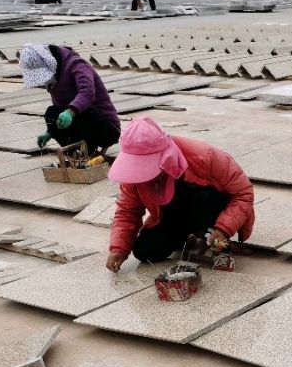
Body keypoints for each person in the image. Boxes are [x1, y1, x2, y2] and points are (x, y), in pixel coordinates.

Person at [106, 117, 255, 273]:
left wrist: (224, 229)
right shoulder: (132, 174)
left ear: (165, 158)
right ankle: (189, 237)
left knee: (204, 198)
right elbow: (127, 211)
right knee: (144, 251)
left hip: (209, 207)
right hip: (174, 213)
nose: (143, 174)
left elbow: (243, 193)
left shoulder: (204, 156)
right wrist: (118, 248)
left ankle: (217, 242)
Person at [18, 43, 120, 156]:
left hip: (107, 128)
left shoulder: (77, 64)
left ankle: (88, 151)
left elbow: (87, 93)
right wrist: (51, 132)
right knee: (52, 113)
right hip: (82, 124)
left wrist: (70, 112)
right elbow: (59, 108)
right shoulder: (54, 79)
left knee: (86, 114)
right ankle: (77, 153)